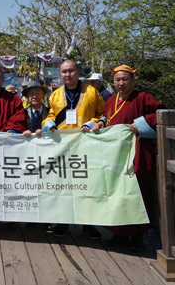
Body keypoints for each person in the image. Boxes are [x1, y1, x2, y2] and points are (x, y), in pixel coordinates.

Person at [96, 64, 165, 252]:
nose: (121, 83)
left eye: (125, 79)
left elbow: (162, 113)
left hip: (136, 152)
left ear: (133, 80)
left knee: (138, 193)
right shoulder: (111, 100)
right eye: (117, 80)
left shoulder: (142, 98)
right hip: (115, 155)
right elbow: (106, 116)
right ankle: (120, 233)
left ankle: (138, 235)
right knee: (118, 193)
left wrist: (142, 122)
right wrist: (101, 122)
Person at [41, 59, 104, 239]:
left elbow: (102, 114)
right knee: (63, 184)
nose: (67, 75)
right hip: (62, 145)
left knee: (87, 185)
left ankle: (88, 224)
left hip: (86, 145)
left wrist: (92, 123)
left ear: (78, 71)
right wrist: (50, 123)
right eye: (64, 72)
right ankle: (63, 221)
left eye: (71, 71)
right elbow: (50, 114)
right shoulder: (55, 94)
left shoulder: (92, 92)